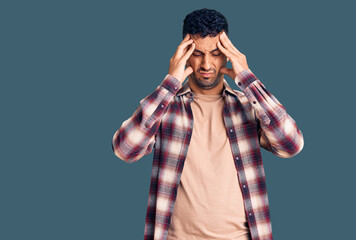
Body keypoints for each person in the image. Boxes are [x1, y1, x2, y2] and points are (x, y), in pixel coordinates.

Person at [112, 8, 304, 240]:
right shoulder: (165, 106)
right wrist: (170, 83)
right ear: (183, 54)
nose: (206, 64)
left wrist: (248, 80)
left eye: (215, 53)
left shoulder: (248, 105)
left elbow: (291, 144)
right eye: (197, 53)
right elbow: (125, 150)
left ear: (227, 54)